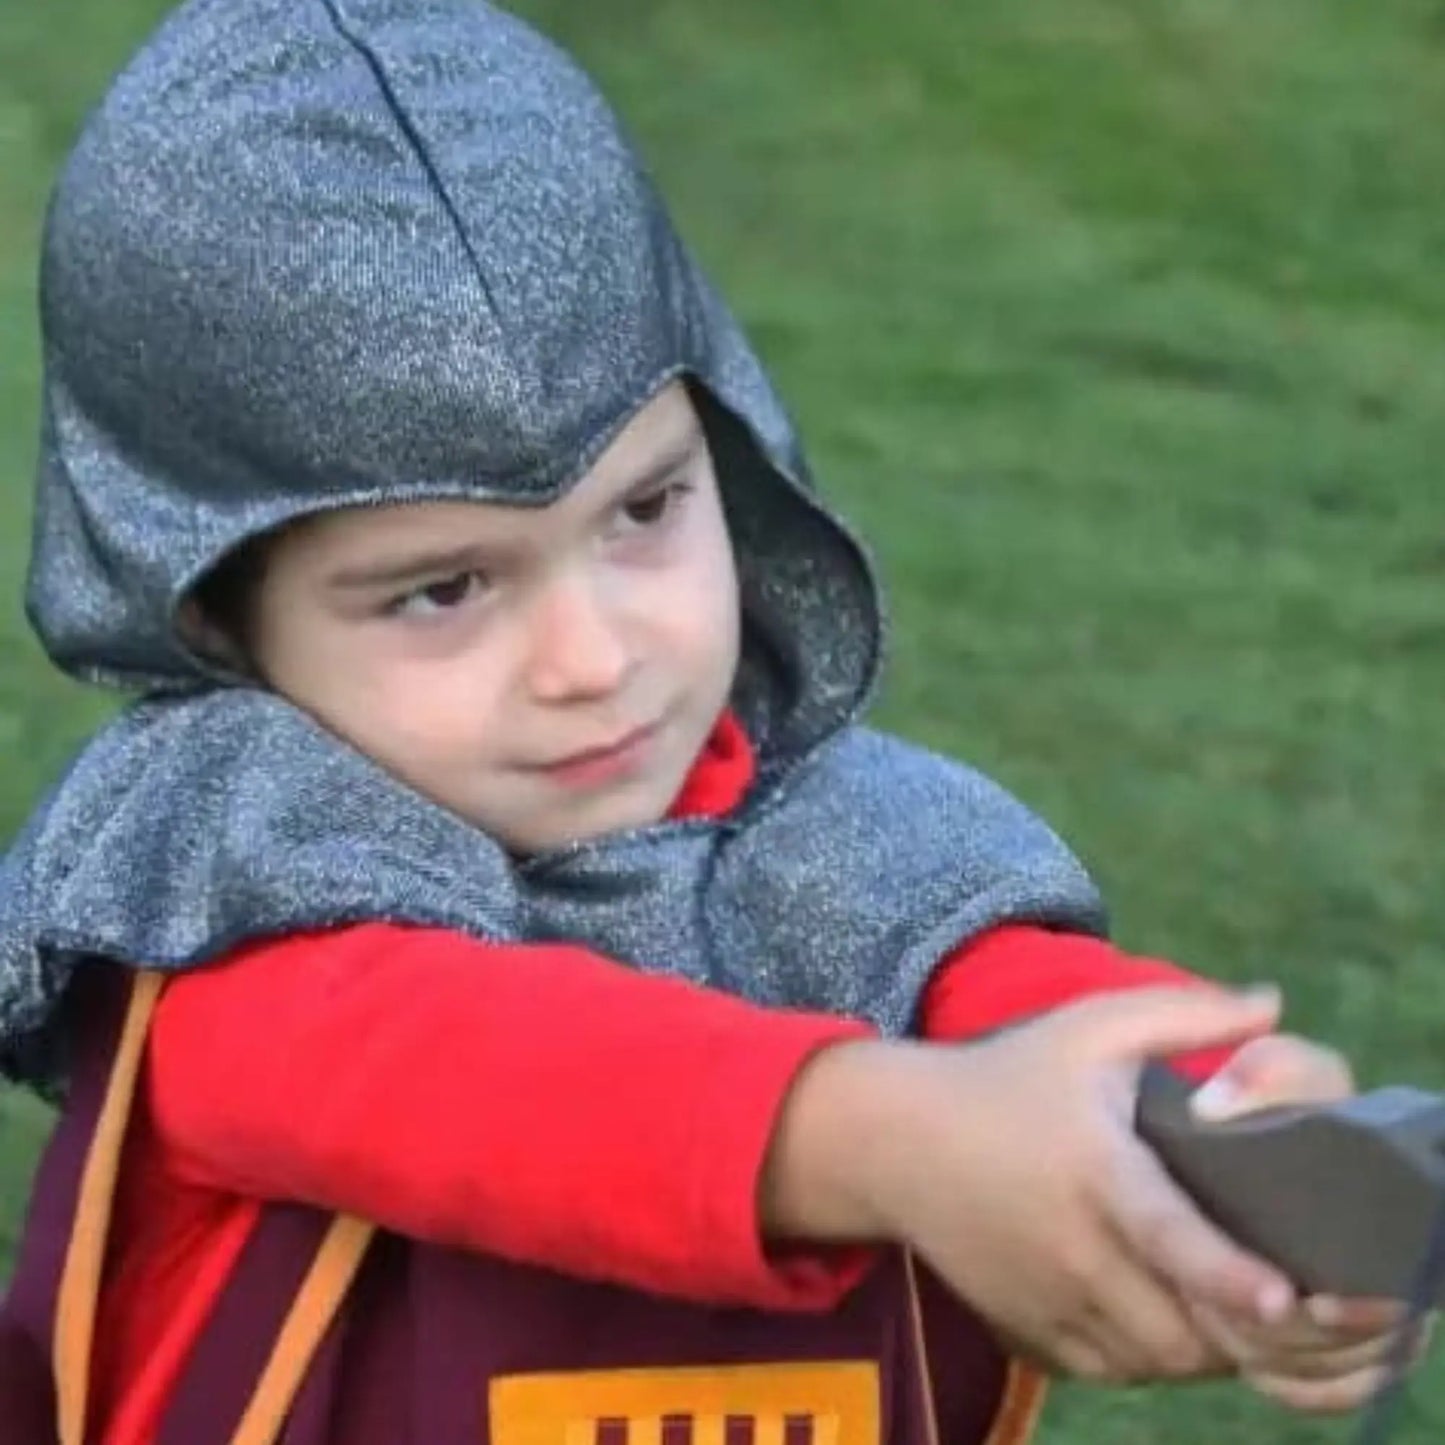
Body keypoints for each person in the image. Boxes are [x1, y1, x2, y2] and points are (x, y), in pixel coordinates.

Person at [0, 1, 1415, 1441]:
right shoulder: (221, 914)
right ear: (211, 612)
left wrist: (1233, 1142)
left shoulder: (845, 847)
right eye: (443, 588)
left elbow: (1019, 1000)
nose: (593, 657)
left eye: (644, 509)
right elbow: (483, 1074)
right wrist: (899, 1135)